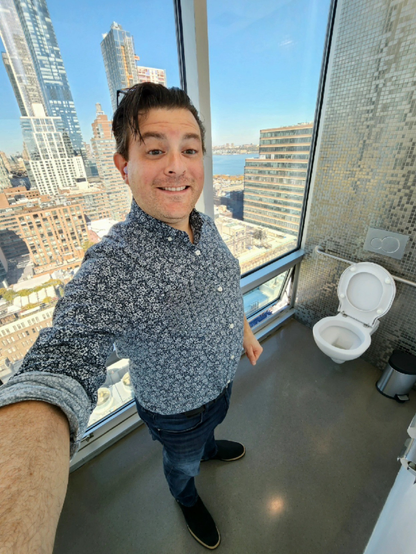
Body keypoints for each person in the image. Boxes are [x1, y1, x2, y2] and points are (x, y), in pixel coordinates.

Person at [0, 82, 263, 552]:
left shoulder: (205, 224)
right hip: (176, 410)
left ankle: (208, 448)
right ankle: (186, 495)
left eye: (190, 149)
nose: (177, 165)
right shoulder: (115, 264)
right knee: (181, 464)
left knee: (211, 431)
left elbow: (225, 287)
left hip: (222, 380)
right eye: (156, 150)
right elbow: (64, 355)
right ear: (125, 166)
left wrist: (242, 331)